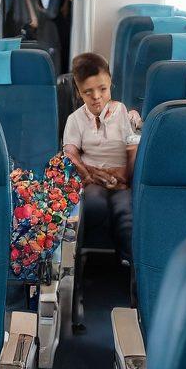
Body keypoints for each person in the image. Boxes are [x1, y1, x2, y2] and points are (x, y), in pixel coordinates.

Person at [62, 53, 140, 267]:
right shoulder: (75, 119)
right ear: (79, 93)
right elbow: (70, 152)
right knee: (93, 204)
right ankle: (84, 264)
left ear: (110, 85)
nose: (96, 96)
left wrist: (127, 178)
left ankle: (129, 266)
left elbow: (132, 148)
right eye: (88, 92)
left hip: (122, 180)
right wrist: (88, 175)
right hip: (92, 178)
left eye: (102, 89)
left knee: (125, 212)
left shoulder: (123, 112)